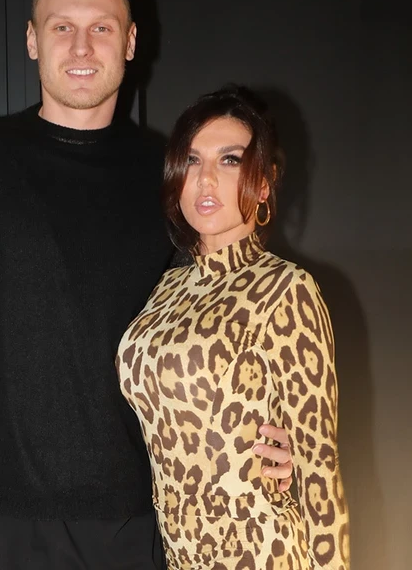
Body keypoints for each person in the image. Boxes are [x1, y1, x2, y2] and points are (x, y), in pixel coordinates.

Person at [0, 0, 296, 570]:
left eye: (101, 27)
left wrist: (283, 430)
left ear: (130, 41)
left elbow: (222, 311)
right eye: (62, 26)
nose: (81, 46)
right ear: (32, 40)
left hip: (138, 518)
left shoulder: (171, 175)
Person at [117, 86, 350, 569]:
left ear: (263, 184)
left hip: (262, 551)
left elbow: (319, 471)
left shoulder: (287, 288)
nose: (205, 179)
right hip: (179, 554)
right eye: (192, 160)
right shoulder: (167, 287)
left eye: (229, 160)